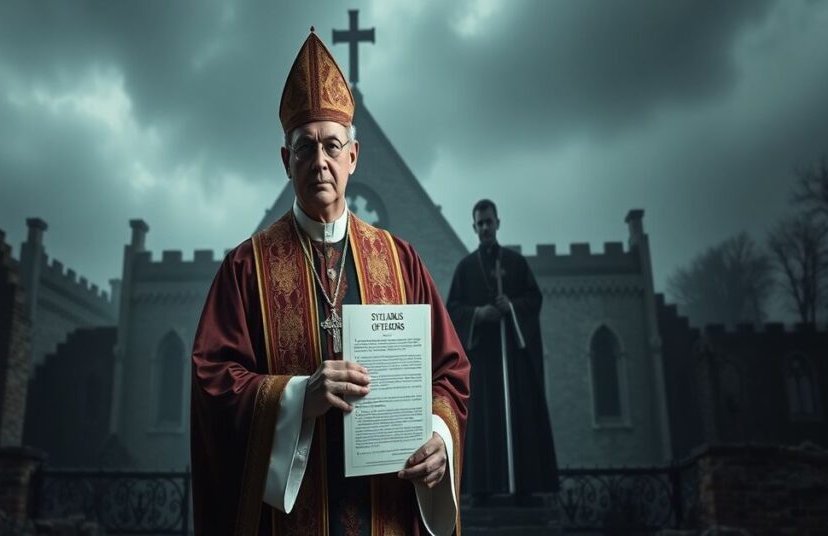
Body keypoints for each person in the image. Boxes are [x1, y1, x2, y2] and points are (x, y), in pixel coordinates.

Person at [190, 29, 470, 535]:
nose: (319, 160)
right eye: (304, 147)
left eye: (331, 146)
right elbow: (213, 379)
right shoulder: (246, 268)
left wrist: (438, 437)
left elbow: (449, 372)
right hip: (292, 518)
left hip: (385, 506)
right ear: (285, 161)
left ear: (353, 157)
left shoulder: (401, 261)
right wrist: (298, 396)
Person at [446, 199, 558, 506]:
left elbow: (533, 298)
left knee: (517, 416)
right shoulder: (466, 268)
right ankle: (481, 491)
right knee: (483, 420)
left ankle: (523, 489)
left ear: (498, 223)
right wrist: (478, 315)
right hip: (482, 363)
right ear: (474, 227)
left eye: (489, 222)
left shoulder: (516, 263)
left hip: (512, 361)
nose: (485, 228)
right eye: (479, 223)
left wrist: (512, 307)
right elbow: (452, 309)